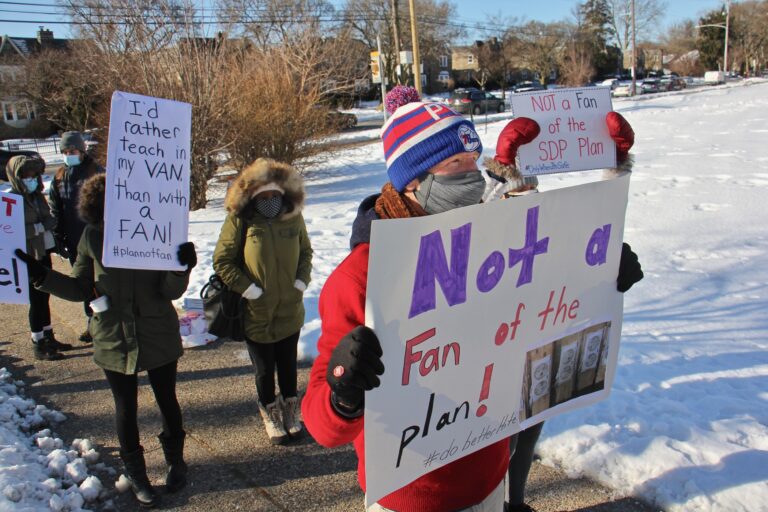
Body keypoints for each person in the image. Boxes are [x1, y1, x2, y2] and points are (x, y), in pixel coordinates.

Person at [303, 101, 509, 511]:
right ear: (413, 181)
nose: (472, 176)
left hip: (489, 475)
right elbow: (321, 425)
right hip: (412, 494)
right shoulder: (361, 276)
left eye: (474, 161)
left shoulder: (493, 240)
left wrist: (602, 275)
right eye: (455, 163)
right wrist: (344, 393)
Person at [481, 115, 644, 512]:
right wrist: (503, 168)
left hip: (538, 346)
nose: (527, 198)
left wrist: (614, 164)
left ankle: (514, 503)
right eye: (517, 193)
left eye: (533, 191)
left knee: (529, 430)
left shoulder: (550, 225)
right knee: (497, 443)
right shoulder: (487, 218)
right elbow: (473, 225)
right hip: (492, 353)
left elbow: (594, 224)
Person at [15, 174, 196, 508]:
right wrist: (42, 277)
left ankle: (176, 461)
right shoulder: (93, 237)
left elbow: (171, 291)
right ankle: (137, 473)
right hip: (114, 335)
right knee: (125, 407)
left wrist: (181, 267)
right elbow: (81, 288)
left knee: (167, 399)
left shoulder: (157, 231)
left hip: (156, 330)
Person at [212, 158, 313, 445]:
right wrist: (249, 290)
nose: (270, 200)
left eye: (275, 194)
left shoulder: (292, 215)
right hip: (256, 311)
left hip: (289, 307)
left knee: (288, 366)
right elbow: (222, 260)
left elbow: (305, 251)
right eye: (263, 196)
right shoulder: (241, 220)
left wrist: (300, 282)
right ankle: (269, 411)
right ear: (252, 196)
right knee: (265, 370)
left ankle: (291, 411)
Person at [6, 155, 72, 360]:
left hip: (43, 251)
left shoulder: (36, 196)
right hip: (27, 256)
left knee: (45, 295)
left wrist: (45, 224)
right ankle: (38, 341)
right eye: (27, 175)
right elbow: (12, 230)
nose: (31, 178)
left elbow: (49, 217)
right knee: (36, 298)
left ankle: (48, 334)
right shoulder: (11, 200)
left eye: (34, 174)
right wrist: (39, 227)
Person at [48, 131, 105, 343]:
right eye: (65, 151)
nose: (68, 154)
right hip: (73, 241)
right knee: (83, 284)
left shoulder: (95, 172)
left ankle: (102, 322)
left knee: (100, 282)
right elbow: (56, 208)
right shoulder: (60, 176)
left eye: (72, 151)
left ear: (82, 151)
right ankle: (91, 323)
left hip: (94, 238)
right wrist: (58, 236)